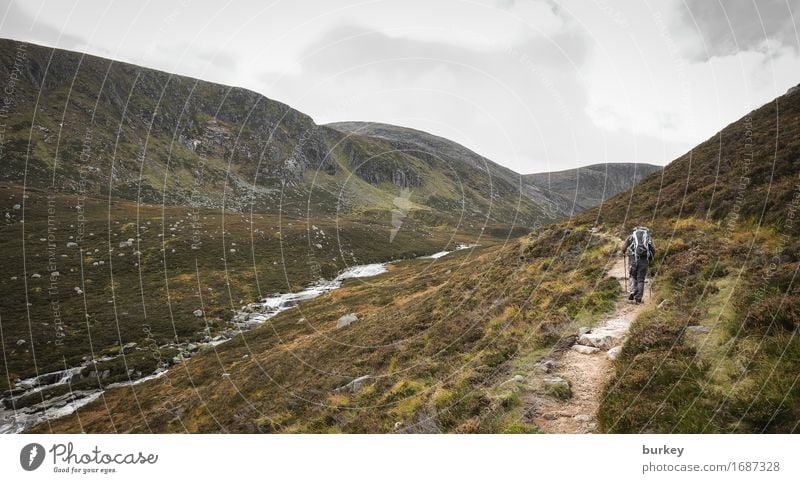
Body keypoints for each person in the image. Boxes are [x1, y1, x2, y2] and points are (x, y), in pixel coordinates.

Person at [621, 226, 655, 304]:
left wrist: (624, 253)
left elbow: (623, 248)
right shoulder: (648, 237)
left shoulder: (631, 236)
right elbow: (653, 249)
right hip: (644, 260)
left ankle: (633, 291)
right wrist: (650, 259)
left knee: (632, 276)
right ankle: (638, 298)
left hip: (633, 259)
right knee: (641, 279)